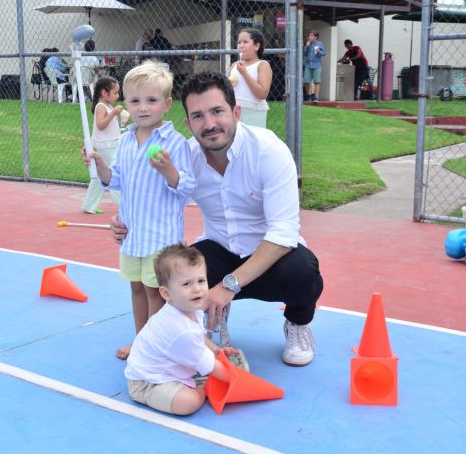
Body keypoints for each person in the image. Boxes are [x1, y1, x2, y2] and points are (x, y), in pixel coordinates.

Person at [103, 71, 324, 367]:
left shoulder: (268, 151)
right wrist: (122, 220)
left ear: (236, 112)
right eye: (198, 116)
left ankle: (297, 323)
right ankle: (205, 323)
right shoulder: (186, 155)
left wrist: (228, 286)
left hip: (271, 259)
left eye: (217, 111)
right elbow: (150, 193)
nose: (209, 124)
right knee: (176, 270)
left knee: (303, 272)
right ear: (188, 123)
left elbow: (283, 233)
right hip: (219, 249)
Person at [82, 61, 196, 360]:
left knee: (155, 292)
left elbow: (186, 187)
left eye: (151, 100)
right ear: (125, 104)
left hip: (160, 237)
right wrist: (99, 164)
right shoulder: (126, 140)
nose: (142, 107)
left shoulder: (175, 143)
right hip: (132, 234)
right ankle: (141, 340)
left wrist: (169, 170)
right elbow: (114, 179)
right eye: (134, 100)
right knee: (136, 288)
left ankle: (155, 347)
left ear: (167, 104)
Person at [125, 243, 238, 415]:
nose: (197, 289)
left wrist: (216, 350)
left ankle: (194, 384)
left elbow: (200, 339)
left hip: (165, 372)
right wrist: (237, 378)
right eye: (186, 284)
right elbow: (214, 367)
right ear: (166, 294)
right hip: (148, 382)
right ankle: (201, 391)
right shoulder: (180, 329)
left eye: (201, 280)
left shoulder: (190, 311)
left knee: (204, 370)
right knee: (188, 403)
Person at [81, 76, 127, 215]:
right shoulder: (101, 107)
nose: (117, 96)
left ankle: (89, 205)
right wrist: (113, 113)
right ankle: (124, 207)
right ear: (104, 93)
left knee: (99, 177)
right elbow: (101, 125)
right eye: (115, 93)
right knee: (113, 175)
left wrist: (122, 120)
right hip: (106, 147)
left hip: (111, 145)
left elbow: (110, 127)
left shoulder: (108, 106)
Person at [227, 27, 272, 128]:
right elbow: (227, 91)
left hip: (254, 113)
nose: (241, 45)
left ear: (256, 46)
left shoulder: (262, 65)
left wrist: (244, 73)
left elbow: (262, 94)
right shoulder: (234, 66)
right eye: (239, 42)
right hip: (234, 111)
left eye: (245, 42)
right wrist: (228, 84)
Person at [303, 30, 327, 103]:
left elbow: (324, 53)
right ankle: (309, 95)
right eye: (309, 35)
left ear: (315, 37)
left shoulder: (320, 44)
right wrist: (306, 46)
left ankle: (316, 97)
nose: (309, 37)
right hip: (308, 65)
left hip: (317, 65)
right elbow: (304, 54)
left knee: (317, 81)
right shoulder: (308, 44)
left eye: (311, 36)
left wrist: (319, 50)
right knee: (306, 81)